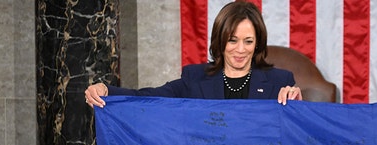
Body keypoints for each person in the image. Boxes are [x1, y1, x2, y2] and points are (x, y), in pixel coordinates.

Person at [84, 1, 301, 107]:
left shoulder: (281, 81)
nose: (241, 49)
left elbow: (301, 134)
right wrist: (107, 91)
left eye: (249, 41)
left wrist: (298, 106)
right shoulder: (194, 78)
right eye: (232, 40)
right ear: (220, 40)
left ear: (258, 44)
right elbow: (149, 97)